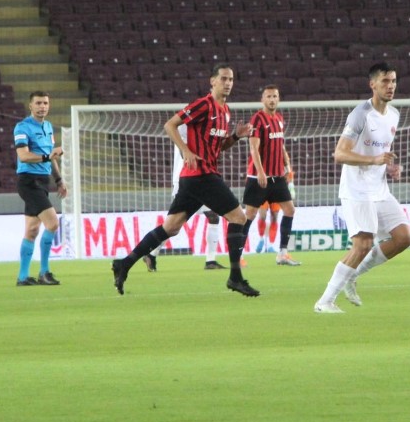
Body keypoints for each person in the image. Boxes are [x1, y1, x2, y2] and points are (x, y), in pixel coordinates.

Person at [112, 63, 260, 297]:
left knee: (170, 227)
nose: (228, 83)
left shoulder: (226, 111)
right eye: (223, 78)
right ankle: (235, 277)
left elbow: (218, 148)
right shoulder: (203, 105)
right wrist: (185, 150)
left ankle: (125, 263)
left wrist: (235, 137)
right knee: (239, 218)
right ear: (212, 81)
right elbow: (170, 124)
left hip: (195, 179)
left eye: (231, 79)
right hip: (201, 175)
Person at [313, 62, 410, 314]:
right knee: (362, 245)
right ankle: (324, 301)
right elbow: (339, 154)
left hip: (379, 189)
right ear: (373, 85)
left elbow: (379, 153)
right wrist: (374, 161)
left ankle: (353, 275)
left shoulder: (394, 115)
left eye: (393, 81)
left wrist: (388, 167)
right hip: (357, 190)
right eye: (385, 82)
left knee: (404, 238)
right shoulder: (361, 114)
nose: (390, 86)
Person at [142, 129, 227, 273]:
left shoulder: (201, 127)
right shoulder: (184, 127)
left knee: (213, 216)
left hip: (199, 179)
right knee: (174, 225)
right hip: (185, 179)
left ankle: (210, 260)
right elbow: (184, 150)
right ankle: (151, 254)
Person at [242, 84, 301, 266]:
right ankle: (237, 254)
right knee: (249, 215)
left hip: (277, 177)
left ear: (278, 99)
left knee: (290, 210)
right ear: (262, 100)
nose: (272, 99)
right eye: (268, 96)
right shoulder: (257, 119)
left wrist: (287, 165)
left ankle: (282, 253)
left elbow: (281, 144)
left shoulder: (280, 119)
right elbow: (254, 147)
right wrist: (260, 171)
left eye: (275, 96)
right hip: (258, 177)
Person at [14, 91, 67, 286]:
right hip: (28, 181)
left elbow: (51, 156)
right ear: (30, 106)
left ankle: (22, 277)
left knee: (32, 230)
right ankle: (44, 272)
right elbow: (24, 156)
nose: (42, 106)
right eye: (38, 103)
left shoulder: (48, 127)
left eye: (45, 103)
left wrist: (59, 180)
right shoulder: (22, 127)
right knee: (52, 223)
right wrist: (47, 156)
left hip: (43, 181)